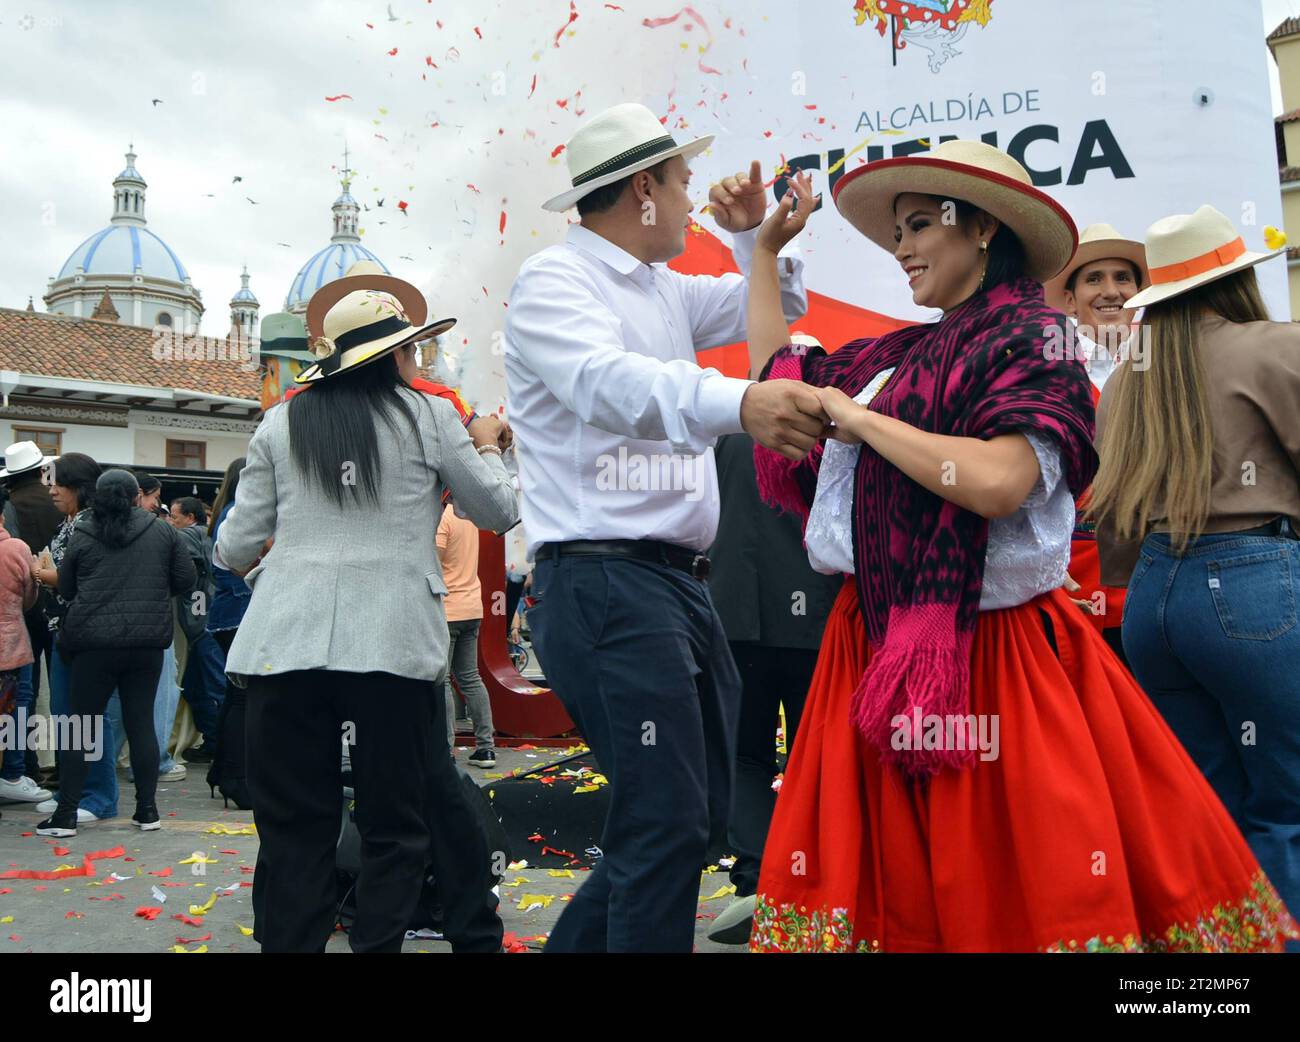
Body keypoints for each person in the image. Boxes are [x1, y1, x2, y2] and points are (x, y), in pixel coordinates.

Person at [744, 140, 1297, 951]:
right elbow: (778, 373)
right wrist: (763, 253)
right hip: (874, 654)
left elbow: (1001, 480)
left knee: (1007, 880)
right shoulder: (897, 357)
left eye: (921, 224)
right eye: (899, 231)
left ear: (983, 231)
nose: (901, 248)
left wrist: (863, 422)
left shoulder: (1036, 339)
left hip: (989, 660)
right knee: (903, 890)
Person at [505, 101, 822, 953]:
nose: (693, 200)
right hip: (606, 584)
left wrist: (759, 238)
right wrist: (742, 402)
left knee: (693, 814)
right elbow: (614, 387)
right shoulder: (554, 283)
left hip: (673, 587)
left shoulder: (663, 287)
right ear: (643, 189)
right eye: (682, 183)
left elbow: (771, 302)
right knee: (666, 822)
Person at [216, 275, 517, 954]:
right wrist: (492, 444)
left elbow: (233, 547)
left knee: (294, 833)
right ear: (397, 357)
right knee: (394, 829)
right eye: (413, 352)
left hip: (282, 649)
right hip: (391, 648)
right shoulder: (430, 417)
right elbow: (497, 509)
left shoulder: (280, 422)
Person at [1092, 204, 1300, 951]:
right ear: (1238, 277)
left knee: (1206, 804)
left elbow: (1110, 517)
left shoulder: (1125, 382)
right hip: (1255, 586)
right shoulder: (1276, 346)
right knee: (1287, 805)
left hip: (1153, 599)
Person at [705, 416, 841, 944]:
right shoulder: (827, 436)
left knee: (745, 754)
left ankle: (755, 875)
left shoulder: (728, 434)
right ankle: (816, 873)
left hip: (737, 615)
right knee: (818, 754)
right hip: (813, 620)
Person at [37, 470, 194, 837]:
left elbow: (70, 586)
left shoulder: (84, 532)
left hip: (93, 645)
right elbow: (186, 580)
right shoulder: (163, 531)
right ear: (136, 496)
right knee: (141, 725)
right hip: (146, 646)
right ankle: (147, 811)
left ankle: (66, 815)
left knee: (81, 726)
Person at [1044, 224, 1149, 661]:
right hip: (1072, 581)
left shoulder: (1168, 365)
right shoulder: (1044, 368)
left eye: (1123, 278)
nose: (1111, 291)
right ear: (1069, 300)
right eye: (1094, 278)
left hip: (1153, 580)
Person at [31, 453, 119, 824]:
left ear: (80, 488)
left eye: (59, 483)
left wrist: (42, 572)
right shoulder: (70, 521)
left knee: (89, 717)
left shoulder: (90, 524)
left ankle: (99, 796)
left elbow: (76, 579)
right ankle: (73, 788)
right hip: (62, 629)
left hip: (84, 632)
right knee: (67, 715)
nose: (52, 490)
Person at [0, 441, 61, 801]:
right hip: (54, 601)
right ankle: (63, 764)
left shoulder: (11, 505)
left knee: (23, 693)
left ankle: (26, 766)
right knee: (58, 690)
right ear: (41, 471)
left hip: (20, 615)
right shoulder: (56, 501)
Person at [204, 458, 252, 807]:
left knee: (235, 697)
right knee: (243, 698)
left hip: (226, 615)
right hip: (239, 613)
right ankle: (234, 777)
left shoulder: (226, 512)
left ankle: (224, 772)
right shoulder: (239, 516)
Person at [437, 506, 495, 768]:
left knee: (444, 681)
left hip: (448, 610)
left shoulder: (443, 519)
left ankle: (446, 750)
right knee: (470, 677)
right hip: (473, 607)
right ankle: (486, 749)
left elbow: (431, 559)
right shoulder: (469, 517)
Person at [170, 496, 225, 763]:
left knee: (213, 686)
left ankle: (224, 746)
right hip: (210, 622)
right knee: (196, 687)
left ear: (190, 518)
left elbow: (187, 572)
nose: (171, 521)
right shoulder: (212, 534)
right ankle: (215, 742)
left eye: (175, 517)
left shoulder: (188, 536)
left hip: (201, 625)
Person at [0, 502, 39, 817]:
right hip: (12, 645)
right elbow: (29, 597)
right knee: (16, 708)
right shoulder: (16, 549)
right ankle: (12, 772)